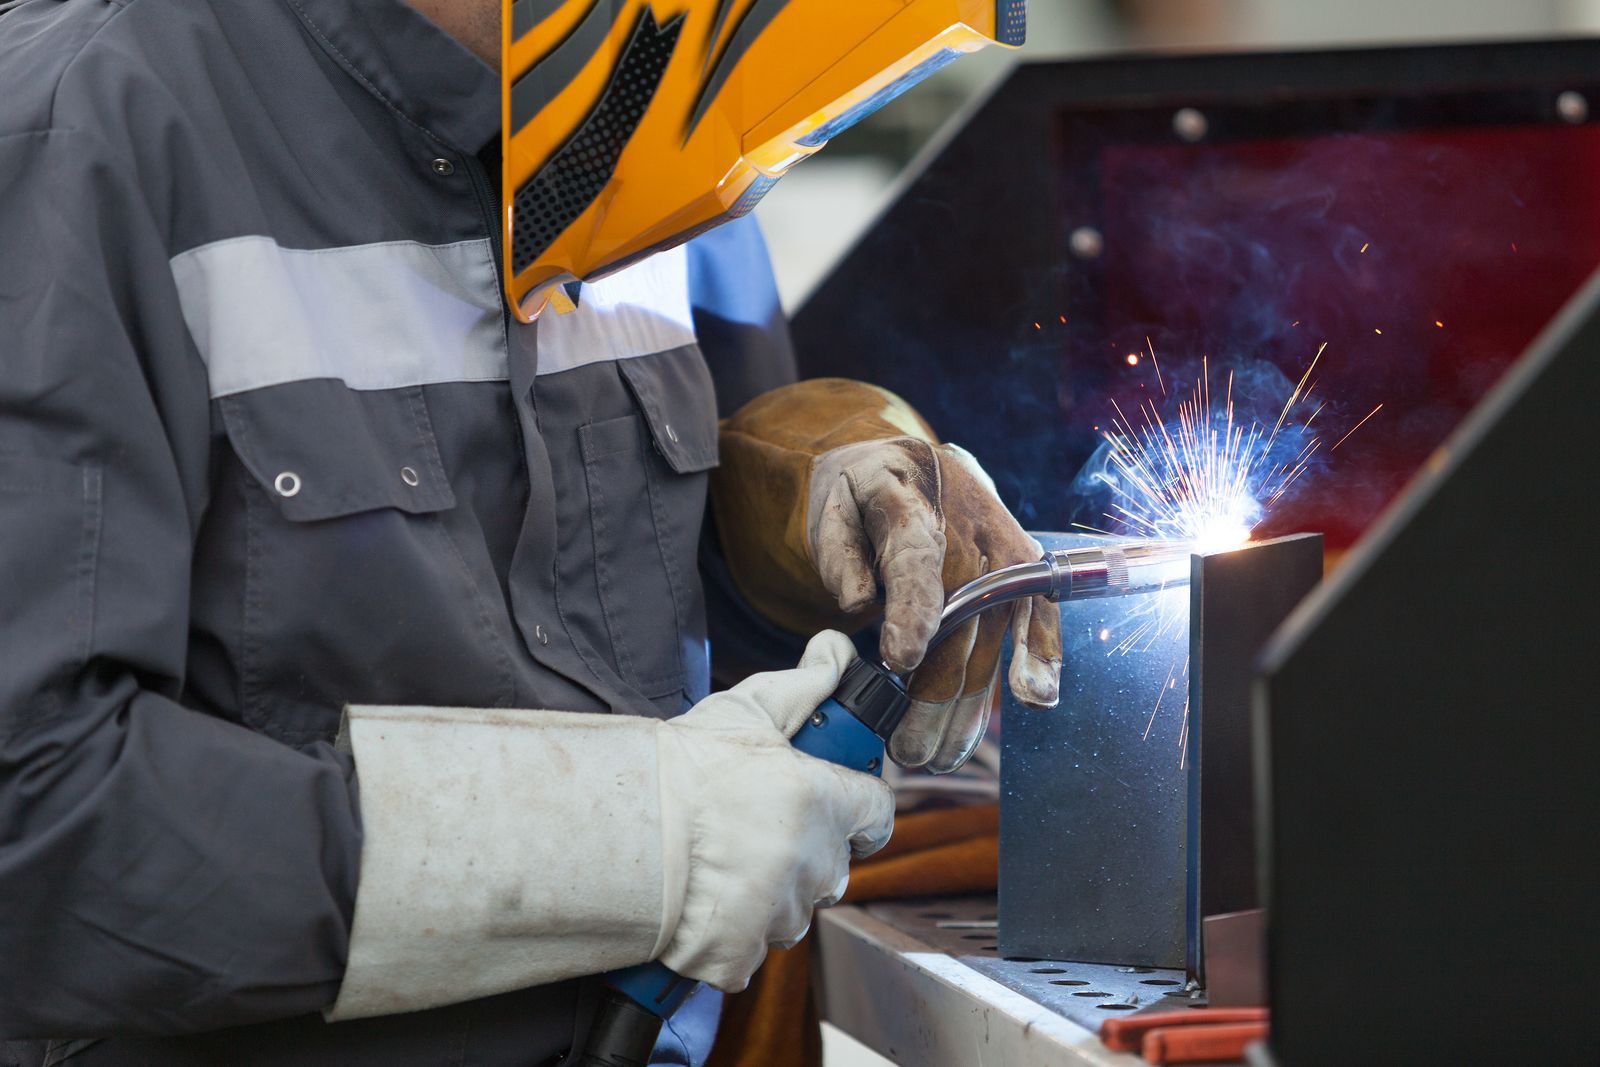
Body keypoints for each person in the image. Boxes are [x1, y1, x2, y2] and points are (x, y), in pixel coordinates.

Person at [0, 0, 1060, 1063]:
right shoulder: (77, 135)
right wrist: (626, 840)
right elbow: (35, 831)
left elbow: (687, 606)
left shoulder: (666, 101)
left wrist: (825, 502)